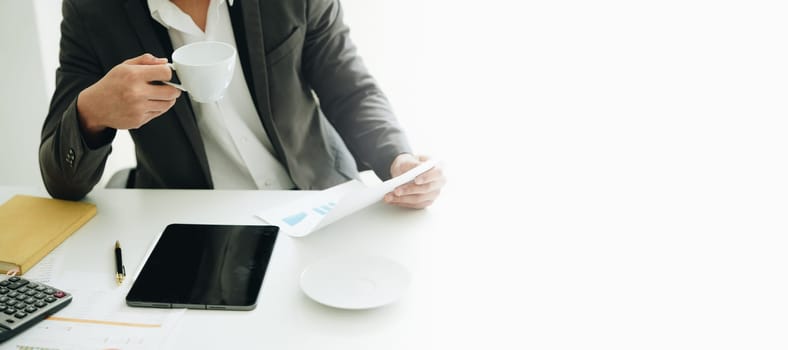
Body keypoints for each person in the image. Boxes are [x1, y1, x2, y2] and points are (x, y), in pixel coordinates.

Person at [39, 0, 445, 209]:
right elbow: (60, 180)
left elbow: (350, 89)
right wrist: (91, 112)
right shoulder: (91, 11)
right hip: (192, 219)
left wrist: (398, 159)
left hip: (315, 199)